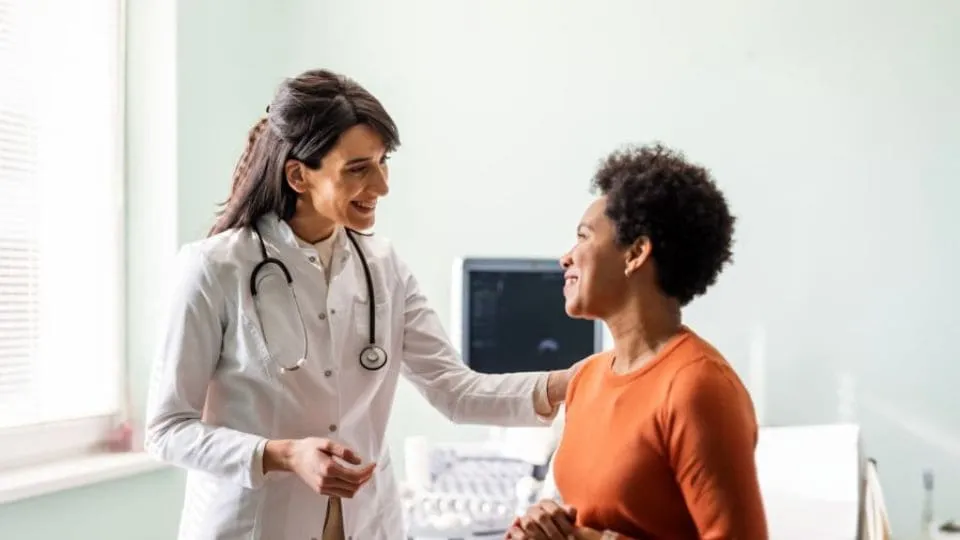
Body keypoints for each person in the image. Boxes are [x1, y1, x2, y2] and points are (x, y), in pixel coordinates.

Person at [144, 68, 576, 540]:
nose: (382, 186)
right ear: (298, 175)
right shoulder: (215, 268)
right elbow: (168, 428)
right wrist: (283, 454)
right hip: (252, 526)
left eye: (382, 162)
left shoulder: (383, 267)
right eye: (357, 169)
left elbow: (456, 390)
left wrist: (576, 382)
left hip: (367, 525)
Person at [507, 144, 768, 540]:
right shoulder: (587, 378)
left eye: (583, 237)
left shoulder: (698, 388)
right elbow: (599, 515)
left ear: (635, 253)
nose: (566, 257)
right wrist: (546, 525)